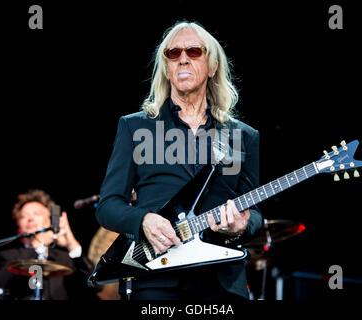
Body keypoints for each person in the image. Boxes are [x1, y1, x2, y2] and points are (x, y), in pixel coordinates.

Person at [96, 21, 263, 301]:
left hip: (222, 279)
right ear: (167, 68)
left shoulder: (242, 136)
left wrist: (243, 225)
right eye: (173, 53)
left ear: (212, 67)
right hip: (157, 278)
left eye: (194, 51)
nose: (183, 58)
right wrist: (143, 220)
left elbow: (254, 210)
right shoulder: (136, 128)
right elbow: (108, 206)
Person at [0, 189, 99, 300]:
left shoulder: (65, 258)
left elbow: (97, 285)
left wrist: (71, 244)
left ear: (50, 221)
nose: (30, 219)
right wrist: (36, 245)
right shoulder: (8, 255)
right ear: (18, 226)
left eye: (36, 214)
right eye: (23, 216)